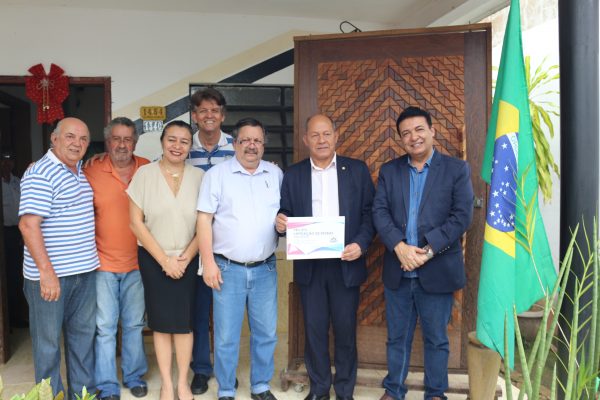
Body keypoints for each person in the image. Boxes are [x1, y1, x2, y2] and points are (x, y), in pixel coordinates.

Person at [372, 106, 474, 400]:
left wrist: (426, 252)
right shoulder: (390, 171)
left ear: (432, 131)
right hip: (399, 270)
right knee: (397, 338)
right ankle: (394, 390)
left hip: (437, 269)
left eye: (419, 129)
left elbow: (461, 217)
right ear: (400, 139)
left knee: (437, 339)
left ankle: (435, 393)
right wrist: (399, 246)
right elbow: (379, 212)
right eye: (406, 133)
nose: (413, 137)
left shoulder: (456, 169)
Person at [276, 114, 375, 400]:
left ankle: (344, 390)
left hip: (346, 263)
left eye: (326, 134)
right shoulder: (293, 174)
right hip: (310, 266)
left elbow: (370, 213)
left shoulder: (356, 170)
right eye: (315, 135)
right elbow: (285, 211)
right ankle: (319, 389)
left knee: (345, 331)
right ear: (305, 139)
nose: (321, 140)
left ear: (335, 136)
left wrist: (361, 244)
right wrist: (280, 221)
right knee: (314, 330)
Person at [197, 117, 282, 400]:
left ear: (264, 144)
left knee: (266, 333)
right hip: (227, 268)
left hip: (265, 269)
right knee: (226, 336)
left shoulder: (275, 174)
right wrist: (208, 263)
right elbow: (203, 220)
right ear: (234, 143)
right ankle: (226, 389)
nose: (251, 146)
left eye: (257, 140)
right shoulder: (217, 175)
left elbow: (285, 215)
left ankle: (260, 385)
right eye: (245, 140)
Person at [19, 117, 99, 399]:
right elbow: (28, 225)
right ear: (54, 139)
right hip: (51, 277)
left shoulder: (79, 170)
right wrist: (47, 273)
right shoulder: (41, 173)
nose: (77, 143)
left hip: (84, 273)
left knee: (83, 339)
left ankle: (82, 395)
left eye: (83, 138)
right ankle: (51, 396)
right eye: (70, 136)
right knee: (48, 345)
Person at [127, 120, 204, 400]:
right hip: (153, 259)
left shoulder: (200, 177)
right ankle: (167, 385)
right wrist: (164, 260)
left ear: (190, 146)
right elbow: (135, 223)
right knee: (160, 324)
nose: (177, 146)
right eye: (172, 139)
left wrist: (185, 258)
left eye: (184, 141)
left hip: (188, 258)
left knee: (183, 323)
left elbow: (206, 223)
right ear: (162, 142)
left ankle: (182, 383)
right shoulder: (144, 174)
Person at [84, 117, 150, 400]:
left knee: (134, 325)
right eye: (116, 139)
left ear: (135, 142)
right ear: (107, 142)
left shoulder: (148, 169)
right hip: (103, 265)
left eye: (127, 139)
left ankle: (134, 376)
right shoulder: (91, 169)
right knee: (105, 328)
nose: (122, 145)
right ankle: (108, 385)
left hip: (139, 263)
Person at [188, 88, 235, 395]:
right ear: (194, 116)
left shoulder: (236, 147)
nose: (209, 115)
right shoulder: (182, 146)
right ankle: (202, 369)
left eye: (214, 110)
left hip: (229, 245)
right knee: (199, 311)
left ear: (222, 115)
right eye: (203, 110)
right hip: (194, 244)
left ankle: (226, 370)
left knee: (227, 314)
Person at [2, 151, 27, 328]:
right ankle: (6, 321)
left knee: (17, 276)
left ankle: (16, 318)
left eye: (10, 161)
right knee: (5, 276)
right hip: (3, 233)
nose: (6, 164)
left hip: (18, 233)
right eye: (3, 160)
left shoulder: (18, 182)